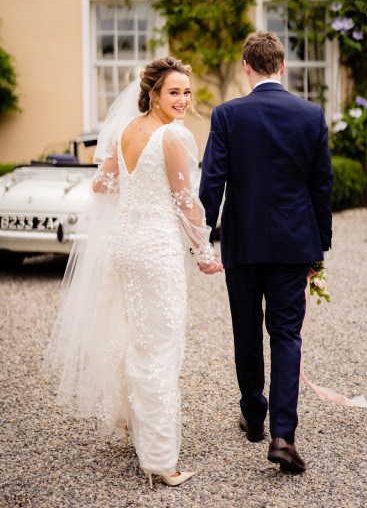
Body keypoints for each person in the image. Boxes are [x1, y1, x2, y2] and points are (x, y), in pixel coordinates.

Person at [42, 57, 223, 488]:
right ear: (154, 94)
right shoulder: (173, 137)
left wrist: (137, 193)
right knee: (159, 348)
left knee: (133, 339)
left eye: (186, 91)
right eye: (173, 92)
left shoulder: (126, 130)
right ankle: (161, 460)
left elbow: (101, 185)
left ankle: (133, 426)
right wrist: (204, 250)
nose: (182, 100)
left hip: (124, 247)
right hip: (156, 251)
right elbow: (185, 202)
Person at [199, 31, 333, 473]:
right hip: (294, 245)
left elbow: (211, 184)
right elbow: (321, 188)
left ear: (246, 68)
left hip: (243, 244)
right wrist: (319, 248)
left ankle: (254, 418)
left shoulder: (227, 115)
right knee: (287, 335)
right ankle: (283, 435)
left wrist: (202, 238)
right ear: (282, 67)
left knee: (246, 330)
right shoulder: (311, 115)